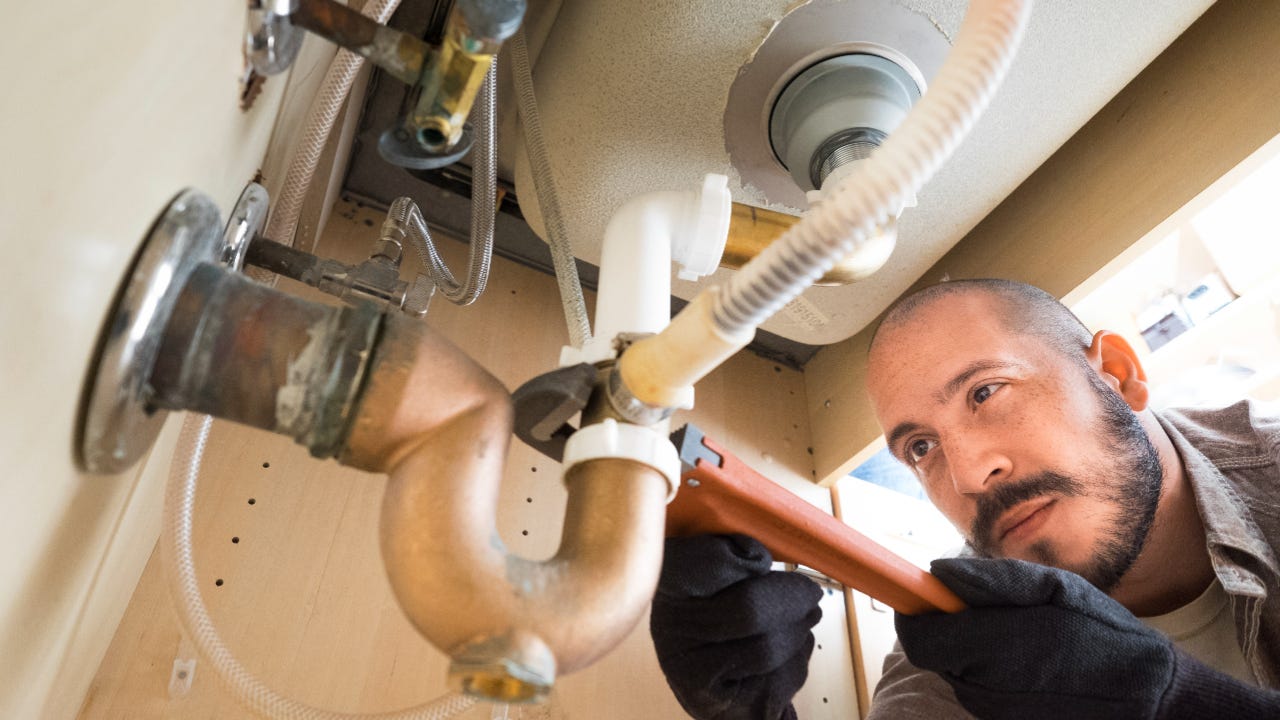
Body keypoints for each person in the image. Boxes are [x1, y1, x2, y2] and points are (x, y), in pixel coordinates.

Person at [649, 278, 1280, 719]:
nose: (972, 475)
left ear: (1116, 374)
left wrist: (1171, 702)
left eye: (986, 392)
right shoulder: (961, 644)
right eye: (921, 448)